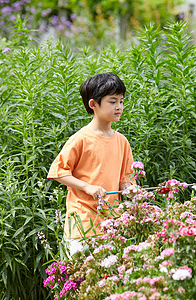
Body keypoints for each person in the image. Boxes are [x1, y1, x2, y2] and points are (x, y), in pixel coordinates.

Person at [47, 72, 135, 256]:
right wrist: (87, 187)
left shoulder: (122, 141)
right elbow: (58, 172)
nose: (119, 107)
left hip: (112, 224)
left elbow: (126, 179)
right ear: (93, 104)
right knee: (83, 280)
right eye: (112, 102)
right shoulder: (81, 139)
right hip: (82, 223)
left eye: (121, 101)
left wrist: (130, 189)